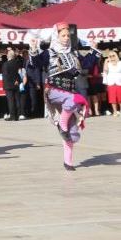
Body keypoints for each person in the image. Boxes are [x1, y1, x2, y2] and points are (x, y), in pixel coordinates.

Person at [30, 26, 100, 170]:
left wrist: (93, 49)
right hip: (54, 91)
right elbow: (36, 64)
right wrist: (33, 48)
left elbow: (86, 64)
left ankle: (68, 162)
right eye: (63, 35)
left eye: (68, 36)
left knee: (72, 133)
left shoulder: (73, 53)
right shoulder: (50, 52)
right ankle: (61, 124)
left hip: (69, 92)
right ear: (57, 37)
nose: (66, 38)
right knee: (75, 100)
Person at [104, 49, 121, 116]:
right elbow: (105, 71)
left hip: (119, 82)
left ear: (116, 56)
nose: (112, 57)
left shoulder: (120, 63)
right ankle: (115, 111)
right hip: (111, 82)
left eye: (113, 55)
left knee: (120, 98)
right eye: (110, 56)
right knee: (112, 98)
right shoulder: (108, 63)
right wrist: (106, 61)